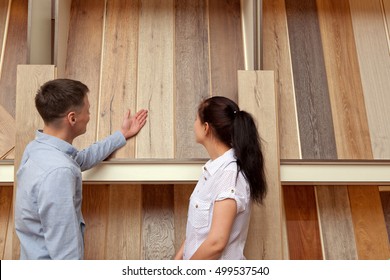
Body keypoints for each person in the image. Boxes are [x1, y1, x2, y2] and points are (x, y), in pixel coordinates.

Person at [15, 78, 148, 260]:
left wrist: (121, 135)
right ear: (72, 118)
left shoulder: (37, 149)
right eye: (88, 110)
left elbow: (79, 159)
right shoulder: (59, 172)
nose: (90, 116)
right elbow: (66, 255)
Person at [174, 96, 267, 260]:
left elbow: (216, 243)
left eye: (196, 119)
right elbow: (197, 231)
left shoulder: (229, 176)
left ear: (206, 127)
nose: (193, 124)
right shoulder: (212, 170)